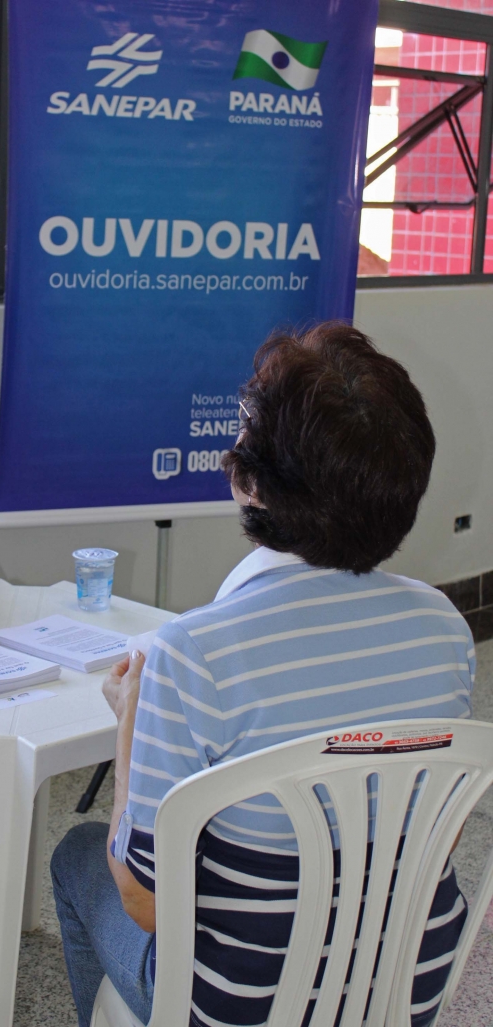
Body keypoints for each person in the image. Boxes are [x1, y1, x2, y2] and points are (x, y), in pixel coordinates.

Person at [51, 323, 473, 1027]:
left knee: (77, 857)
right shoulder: (445, 630)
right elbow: (439, 834)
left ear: (248, 483)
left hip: (243, 1007)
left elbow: (145, 901)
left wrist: (131, 721)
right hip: (407, 988)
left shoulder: (192, 655)